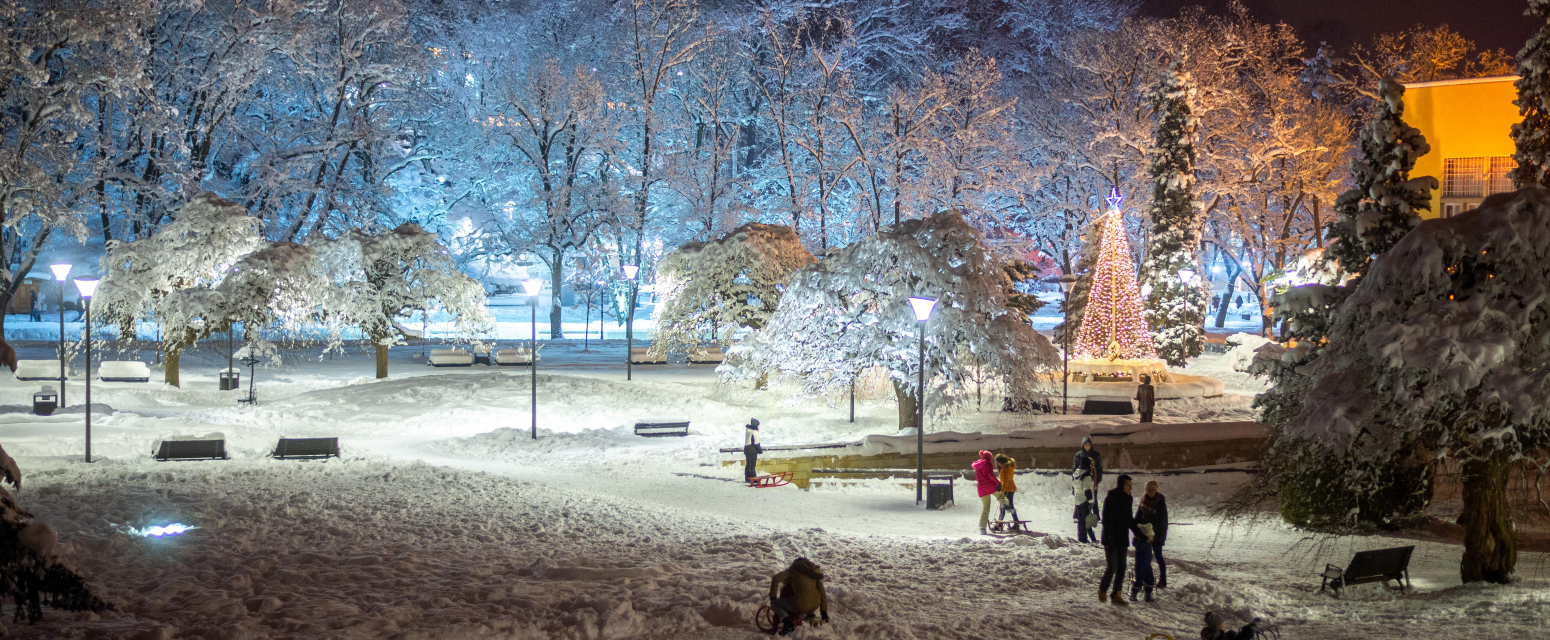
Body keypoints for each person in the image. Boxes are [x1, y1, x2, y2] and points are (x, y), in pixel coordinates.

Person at [1099, 474, 1149, 605]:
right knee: (1113, 566)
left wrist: (1139, 533)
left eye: (1131, 486)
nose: (1130, 488)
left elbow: (1129, 519)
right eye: (1128, 485)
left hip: (1122, 538)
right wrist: (1109, 536)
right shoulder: (1111, 497)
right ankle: (1102, 589)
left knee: (1122, 567)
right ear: (1121, 485)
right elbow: (1106, 519)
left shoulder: (1128, 499)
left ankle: (1116, 595)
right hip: (1111, 538)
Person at [769, 557, 829, 636]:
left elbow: (776, 578)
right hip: (815, 605)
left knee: (774, 603)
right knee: (804, 601)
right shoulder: (814, 573)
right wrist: (823, 611)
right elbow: (822, 592)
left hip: (801, 604)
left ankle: (788, 623)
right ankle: (811, 616)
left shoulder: (794, 570)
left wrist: (772, 597)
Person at [1140, 480, 1170, 588]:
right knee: (1146, 557)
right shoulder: (1143, 501)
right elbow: (1139, 516)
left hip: (1157, 535)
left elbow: (1163, 521)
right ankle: (1147, 579)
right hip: (1146, 534)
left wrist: (1156, 534)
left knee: (1158, 557)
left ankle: (1163, 580)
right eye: (1149, 489)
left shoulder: (1160, 502)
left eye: (1153, 489)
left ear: (1156, 490)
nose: (1151, 491)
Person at [1071, 436, 1102, 543]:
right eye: (1085, 444)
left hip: (1079, 497)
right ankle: (1084, 538)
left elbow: (1099, 468)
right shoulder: (1086, 475)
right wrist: (1090, 500)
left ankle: (1086, 537)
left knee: (1082, 519)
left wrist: (1097, 480)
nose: (1087, 446)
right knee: (1085, 519)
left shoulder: (1095, 455)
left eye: (1088, 444)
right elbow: (1087, 490)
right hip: (1084, 499)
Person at [972, 450, 1006, 535]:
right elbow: (990, 475)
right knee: (1001, 496)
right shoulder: (987, 463)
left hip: (981, 488)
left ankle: (982, 528)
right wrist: (998, 483)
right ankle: (1006, 505)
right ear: (989, 457)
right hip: (989, 486)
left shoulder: (978, 465)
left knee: (985, 509)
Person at [995, 454, 1019, 523]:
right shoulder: (1008, 467)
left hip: (1008, 489)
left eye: (998, 462)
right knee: (1009, 506)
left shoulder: (1005, 469)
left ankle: (999, 524)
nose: (997, 464)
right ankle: (1016, 522)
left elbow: (1005, 482)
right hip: (1010, 489)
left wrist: (1001, 493)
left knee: (1003, 506)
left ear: (1001, 462)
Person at [743, 419, 763, 484]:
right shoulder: (754, 432)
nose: (758, 426)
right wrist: (760, 450)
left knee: (748, 464)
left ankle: (747, 478)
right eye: (758, 425)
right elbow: (756, 443)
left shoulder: (748, 430)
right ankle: (754, 479)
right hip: (752, 449)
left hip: (747, 448)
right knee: (752, 465)